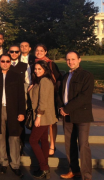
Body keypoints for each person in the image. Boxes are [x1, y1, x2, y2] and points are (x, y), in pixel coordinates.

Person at [0, 54, 25, 177]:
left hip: (13, 110)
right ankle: (3, 162)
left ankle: (15, 164)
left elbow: (21, 96)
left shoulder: (16, 76)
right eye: (3, 61)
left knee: (14, 137)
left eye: (8, 61)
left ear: (10, 62)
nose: (5, 63)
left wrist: (22, 112)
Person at [58, 51, 94, 180]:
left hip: (82, 115)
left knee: (83, 146)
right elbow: (61, 94)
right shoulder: (66, 76)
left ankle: (87, 176)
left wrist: (67, 108)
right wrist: (61, 108)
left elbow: (84, 97)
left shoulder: (86, 76)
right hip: (67, 115)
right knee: (70, 144)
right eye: (68, 59)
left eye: (73, 59)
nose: (70, 62)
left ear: (79, 60)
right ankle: (74, 170)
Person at [28, 60, 58, 179]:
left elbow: (43, 101)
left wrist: (38, 117)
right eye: (35, 69)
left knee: (33, 141)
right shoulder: (41, 80)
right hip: (44, 115)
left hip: (43, 116)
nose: (36, 71)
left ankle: (44, 167)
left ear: (45, 69)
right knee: (44, 140)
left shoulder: (45, 80)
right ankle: (44, 168)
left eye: (39, 69)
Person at [34, 44, 62, 156]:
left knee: (51, 122)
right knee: (43, 123)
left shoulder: (51, 64)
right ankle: (44, 143)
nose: (39, 52)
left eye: (41, 51)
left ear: (46, 52)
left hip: (51, 96)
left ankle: (52, 145)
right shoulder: (35, 64)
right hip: (39, 95)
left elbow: (58, 80)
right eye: (37, 50)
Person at [8, 44, 31, 155]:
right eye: (12, 51)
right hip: (6, 99)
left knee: (20, 125)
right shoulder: (4, 64)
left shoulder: (24, 66)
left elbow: (28, 82)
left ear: (19, 53)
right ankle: (9, 149)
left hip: (20, 99)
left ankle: (20, 148)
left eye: (16, 52)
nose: (14, 54)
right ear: (9, 52)